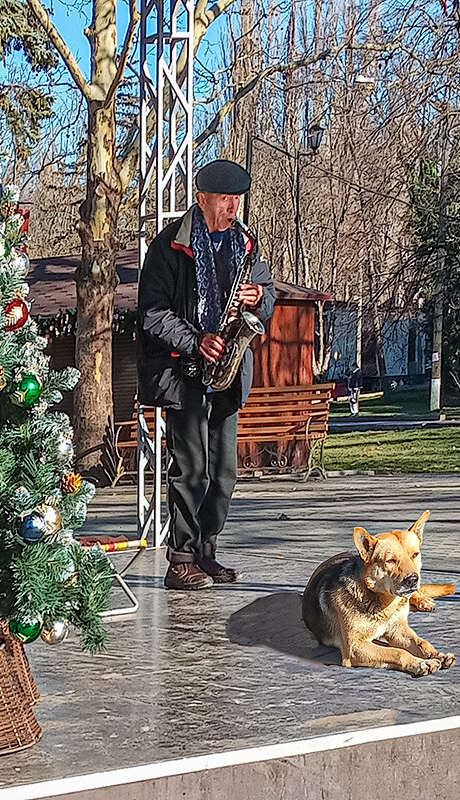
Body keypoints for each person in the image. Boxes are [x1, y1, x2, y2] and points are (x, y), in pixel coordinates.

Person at [137, 159, 276, 590]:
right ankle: (180, 560)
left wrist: (258, 298)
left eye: (238, 200)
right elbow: (152, 315)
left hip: (227, 375)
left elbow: (269, 294)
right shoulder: (168, 246)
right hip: (183, 373)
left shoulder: (246, 246)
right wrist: (196, 340)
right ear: (201, 199)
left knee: (225, 472)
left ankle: (206, 550)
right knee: (191, 470)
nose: (233, 207)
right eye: (225, 200)